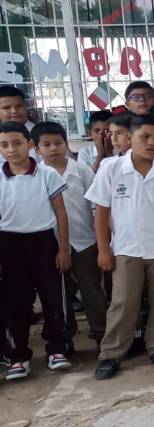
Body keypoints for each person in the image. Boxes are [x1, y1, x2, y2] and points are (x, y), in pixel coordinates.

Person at [87, 115, 154, 380]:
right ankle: (110, 354)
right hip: (125, 248)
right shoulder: (111, 168)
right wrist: (103, 249)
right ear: (129, 138)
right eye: (144, 137)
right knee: (123, 302)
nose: (151, 143)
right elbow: (101, 213)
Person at [0, 121, 72, 380]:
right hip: (9, 244)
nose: (11, 150)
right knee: (15, 302)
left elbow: (61, 213)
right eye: (4, 145)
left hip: (43, 242)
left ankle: (57, 348)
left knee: (53, 298)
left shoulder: (46, 174)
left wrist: (63, 249)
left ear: (29, 144)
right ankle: (19, 356)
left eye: (17, 143)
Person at [31, 121, 106, 344]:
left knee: (91, 289)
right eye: (46, 144)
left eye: (58, 143)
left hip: (84, 239)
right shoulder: (35, 174)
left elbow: (95, 200)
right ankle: (65, 336)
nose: (53, 148)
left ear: (66, 144)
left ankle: (101, 332)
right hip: (50, 244)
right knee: (58, 294)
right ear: (36, 148)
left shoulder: (80, 170)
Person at [0, 86, 40, 160]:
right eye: (6, 107)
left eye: (19, 106)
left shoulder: (43, 134)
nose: (14, 111)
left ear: (26, 106)